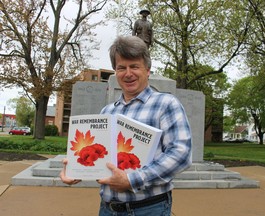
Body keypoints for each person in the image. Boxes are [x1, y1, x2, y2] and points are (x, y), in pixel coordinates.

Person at [60, 35, 192, 215]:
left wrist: (133, 180)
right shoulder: (107, 112)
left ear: (147, 70)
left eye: (134, 66)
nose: (128, 73)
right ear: (116, 72)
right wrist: (77, 170)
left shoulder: (166, 104)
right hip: (108, 208)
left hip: (148, 209)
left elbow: (181, 154)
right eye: (121, 68)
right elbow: (100, 158)